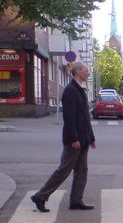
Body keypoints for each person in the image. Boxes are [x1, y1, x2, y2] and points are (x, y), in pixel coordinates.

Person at [31, 62, 96, 212]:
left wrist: (91, 137)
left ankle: (76, 201)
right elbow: (69, 117)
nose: (88, 73)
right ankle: (40, 196)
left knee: (82, 171)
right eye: (86, 70)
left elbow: (84, 117)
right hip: (75, 140)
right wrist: (73, 139)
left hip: (84, 139)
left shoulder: (80, 90)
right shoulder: (71, 90)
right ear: (78, 71)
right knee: (64, 170)